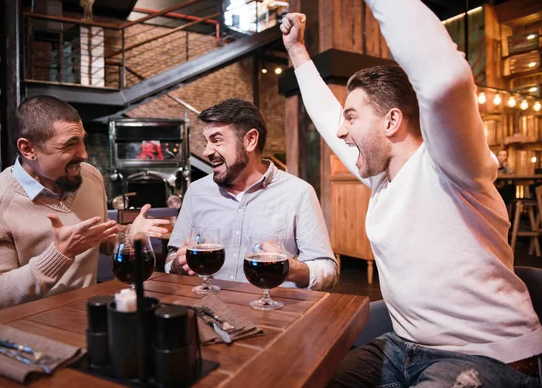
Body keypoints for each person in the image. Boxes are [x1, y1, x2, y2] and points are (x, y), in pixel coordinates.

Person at [281, 1, 541, 386]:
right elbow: (325, 117)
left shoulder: (450, 164)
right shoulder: (380, 176)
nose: (341, 130)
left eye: (351, 117)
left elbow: (442, 77)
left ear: (392, 120)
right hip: (404, 347)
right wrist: (297, 50)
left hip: (485, 356)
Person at [0, 95, 168, 314]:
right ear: (28, 149)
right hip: (23, 330)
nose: (84, 154)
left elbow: (100, 240)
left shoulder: (90, 177)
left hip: (85, 314)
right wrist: (60, 253)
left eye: (82, 140)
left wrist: (127, 234)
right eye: (69, 145)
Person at [165, 98, 339, 291]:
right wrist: (178, 264)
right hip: (207, 309)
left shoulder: (298, 192)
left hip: (269, 314)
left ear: (250, 140)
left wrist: (291, 269)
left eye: (217, 140)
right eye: (207, 142)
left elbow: (328, 271)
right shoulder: (196, 192)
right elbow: (172, 259)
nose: (206, 151)